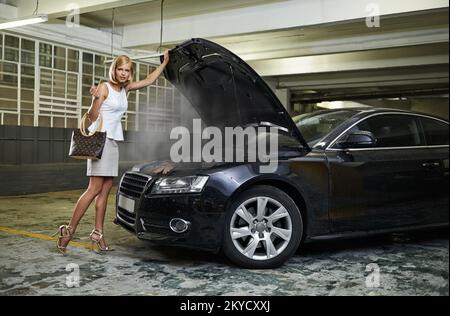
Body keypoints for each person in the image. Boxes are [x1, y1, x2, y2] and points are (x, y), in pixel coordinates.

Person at [53, 51, 170, 254]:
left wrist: (166, 62)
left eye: (127, 70)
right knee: (94, 188)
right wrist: (96, 99)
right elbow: (91, 117)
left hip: (113, 141)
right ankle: (68, 230)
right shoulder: (104, 87)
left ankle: (98, 233)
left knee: (106, 189)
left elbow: (149, 80)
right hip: (101, 141)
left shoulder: (124, 89)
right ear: (114, 69)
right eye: (120, 69)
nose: (124, 73)